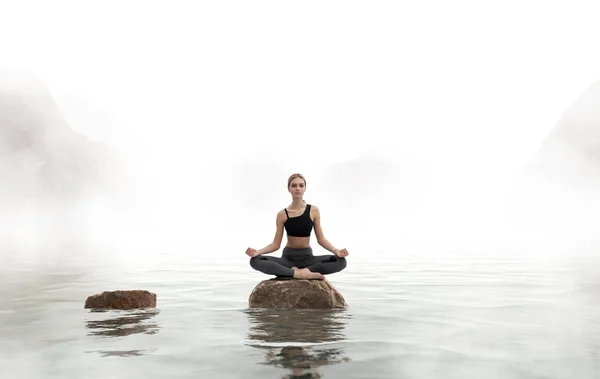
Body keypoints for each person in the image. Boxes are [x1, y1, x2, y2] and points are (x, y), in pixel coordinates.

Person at [246, 173, 349, 280]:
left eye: (301, 185)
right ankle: (296, 273)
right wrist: (257, 252)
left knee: (341, 261)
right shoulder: (282, 214)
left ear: (305, 188)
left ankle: (305, 271)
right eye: (294, 185)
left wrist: (336, 251)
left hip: (308, 258)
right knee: (255, 260)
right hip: (287, 259)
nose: (297, 188)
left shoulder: (313, 210)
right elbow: (275, 244)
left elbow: (321, 239)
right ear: (289, 189)